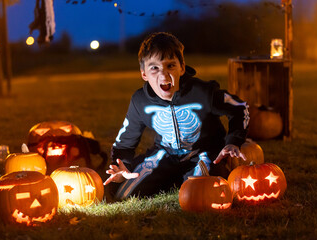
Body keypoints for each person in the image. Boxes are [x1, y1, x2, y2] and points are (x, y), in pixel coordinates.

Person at [104, 32, 249, 200]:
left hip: (203, 153)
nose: (164, 75)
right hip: (165, 154)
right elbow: (125, 142)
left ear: (182, 67)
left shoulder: (203, 93)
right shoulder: (140, 101)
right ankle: (171, 177)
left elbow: (239, 107)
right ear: (144, 74)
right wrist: (123, 167)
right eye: (154, 68)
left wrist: (233, 142)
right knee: (125, 194)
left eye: (170, 66)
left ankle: (185, 178)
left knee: (201, 193)